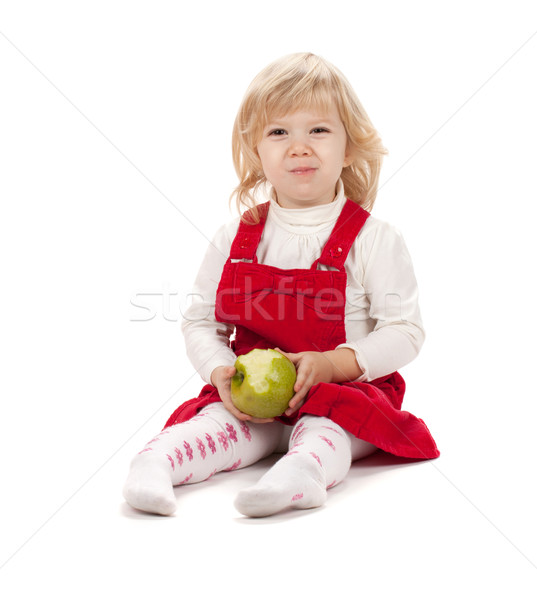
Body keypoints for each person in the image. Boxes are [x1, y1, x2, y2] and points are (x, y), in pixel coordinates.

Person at [123, 52, 440, 518]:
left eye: (318, 130)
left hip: (345, 393)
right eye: (279, 132)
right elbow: (200, 323)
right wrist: (221, 375)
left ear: (348, 146)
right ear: (256, 151)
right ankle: (156, 463)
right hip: (255, 398)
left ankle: (301, 476)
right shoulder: (236, 235)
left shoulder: (373, 238)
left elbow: (405, 331)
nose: (299, 147)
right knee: (212, 423)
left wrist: (333, 364)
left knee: (325, 430)